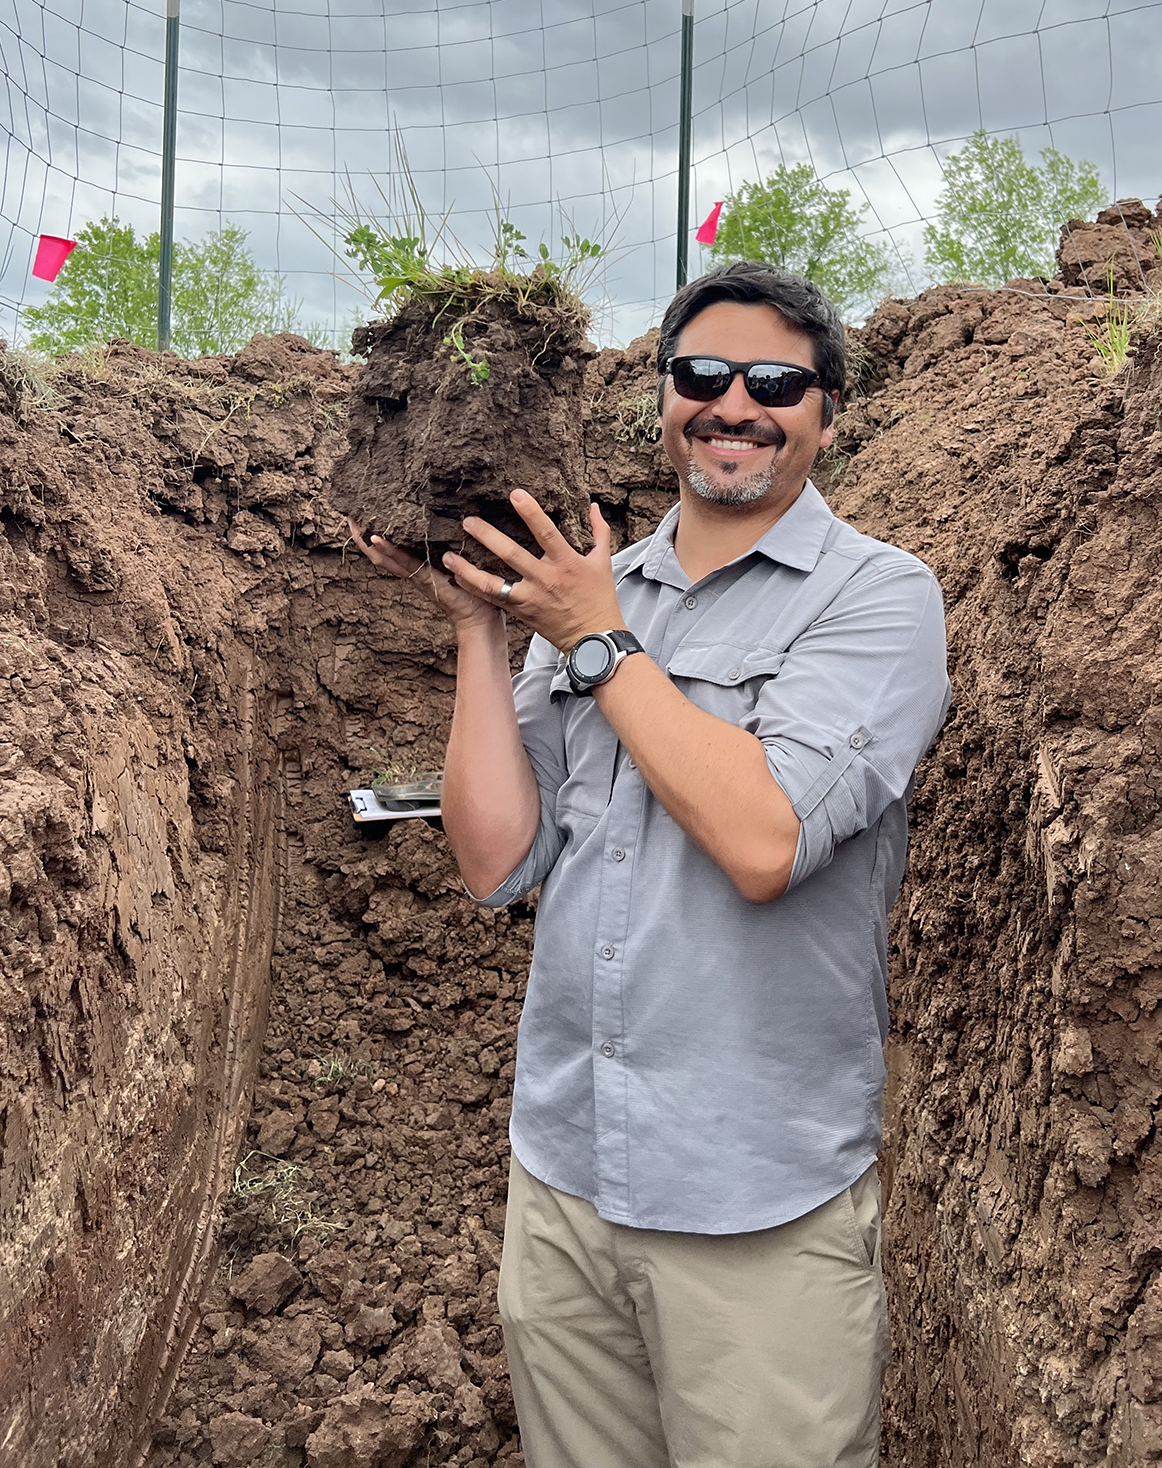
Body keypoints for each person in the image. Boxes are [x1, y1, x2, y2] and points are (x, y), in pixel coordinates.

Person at [351, 260, 950, 1468]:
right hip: (566, 1180)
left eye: (777, 381)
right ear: (664, 399)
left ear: (829, 411)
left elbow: (767, 838)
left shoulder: (879, 600)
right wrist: (482, 630)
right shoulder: (594, 597)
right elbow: (496, 859)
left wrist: (597, 642)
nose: (736, 403)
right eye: (703, 374)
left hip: (755, 1212)